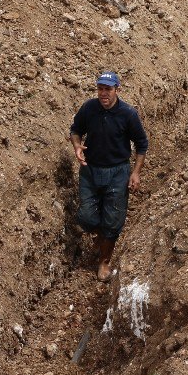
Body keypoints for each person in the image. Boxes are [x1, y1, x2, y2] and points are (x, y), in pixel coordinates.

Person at [70, 71, 149, 282]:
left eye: (108, 89)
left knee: (113, 220)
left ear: (116, 90)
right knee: (86, 217)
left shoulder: (128, 114)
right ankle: (101, 236)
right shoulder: (89, 108)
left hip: (117, 171)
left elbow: (142, 144)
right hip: (90, 170)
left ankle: (104, 260)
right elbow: (75, 129)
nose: (103, 93)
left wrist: (136, 173)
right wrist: (77, 146)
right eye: (100, 89)